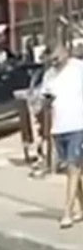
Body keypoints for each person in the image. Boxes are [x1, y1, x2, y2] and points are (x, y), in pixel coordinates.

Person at [41, 44, 83, 228]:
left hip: (78, 125)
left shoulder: (78, 68)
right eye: (51, 60)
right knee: (73, 170)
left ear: (65, 52)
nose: (54, 62)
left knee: (73, 168)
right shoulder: (49, 75)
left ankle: (67, 212)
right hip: (59, 128)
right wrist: (44, 102)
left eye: (56, 58)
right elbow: (45, 100)